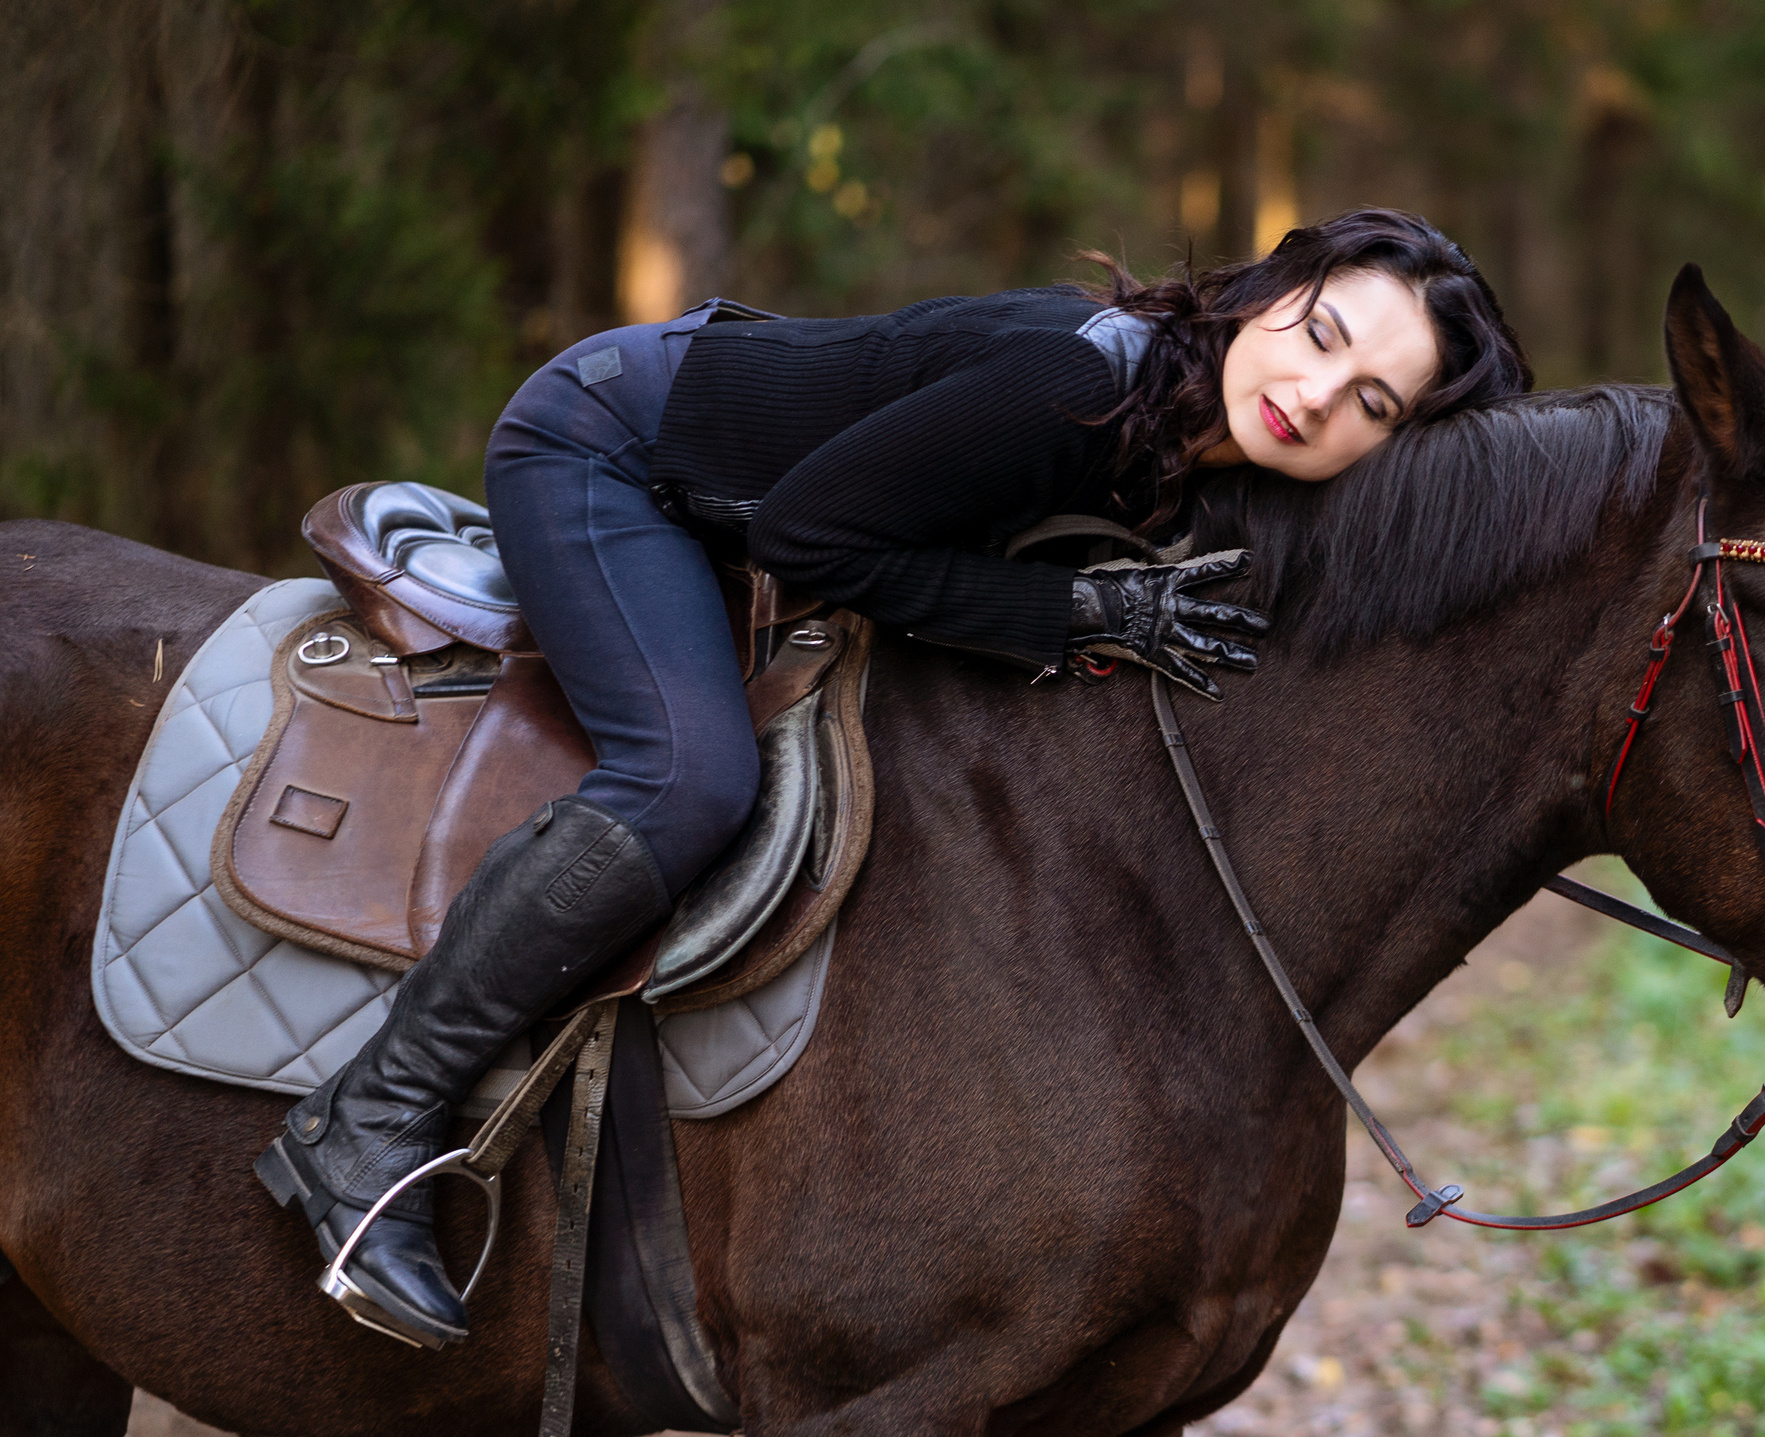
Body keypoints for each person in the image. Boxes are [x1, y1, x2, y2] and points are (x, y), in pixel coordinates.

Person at [254, 207, 1533, 1349]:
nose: (1316, 397)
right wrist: (1069, 613)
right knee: (689, 778)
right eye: (1319, 335)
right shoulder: (1070, 387)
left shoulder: (1208, 446)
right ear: (1268, 294)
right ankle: (369, 1115)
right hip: (611, 449)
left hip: (754, 489)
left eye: (1373, 403)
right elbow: (807, 534)